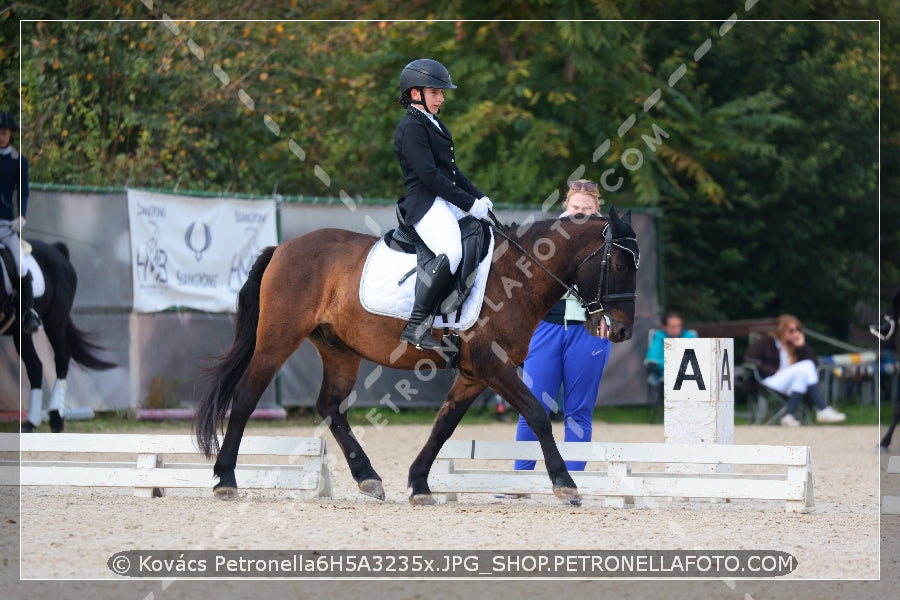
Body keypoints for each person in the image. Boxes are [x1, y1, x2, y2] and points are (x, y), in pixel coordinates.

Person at [393, 58, 492, 350]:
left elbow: (452, 172)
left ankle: (454, 321)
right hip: (424, 202)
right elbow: (428, 175)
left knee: (481, 236)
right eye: (435, 91)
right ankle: (416, 325)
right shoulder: (411, 126)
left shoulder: (435, 124)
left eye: (441, 92)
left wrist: (477, 196)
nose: (442, 97)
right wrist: (466, 202)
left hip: (442, 198)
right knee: (451, 250)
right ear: (415, 94)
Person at [512, 179, 611, 473]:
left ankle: (574, 477)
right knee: (531, 406)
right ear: (565, 207)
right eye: (575, 207)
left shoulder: (609, 241)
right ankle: (521, 477)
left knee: (579, 410)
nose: (580, 212)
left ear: (597, 211)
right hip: (545, 329)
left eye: (587, 208)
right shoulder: (545, 239)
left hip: (589, 331)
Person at [744, 314, 846, 426]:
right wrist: (773, 371)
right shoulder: (767, 342)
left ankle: (788, 415)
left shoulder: (796, 347)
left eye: (798, 330)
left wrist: (802, 346)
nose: (795, 333)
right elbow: (749, 359)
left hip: (791, 384)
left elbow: (815, 365)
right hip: (771, 380)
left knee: (803, 373)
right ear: (781, 330)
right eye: (791, 330)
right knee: (806, 365)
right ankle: (822, 409)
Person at [0, 110, 40, 334]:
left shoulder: (19, 162)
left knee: (22, 267)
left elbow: (23, 192)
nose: (0, 137)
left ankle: (28, 314)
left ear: (11, 134)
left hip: (6, 228)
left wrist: (21, 216)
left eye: (4, 133)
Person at [645, 309, 697, 386]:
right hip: (666, 377)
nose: (677, 330)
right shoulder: (659, 337)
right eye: (673, 327)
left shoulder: (689, 336)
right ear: (663, 326)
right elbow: (652, 360)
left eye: (679, 326)